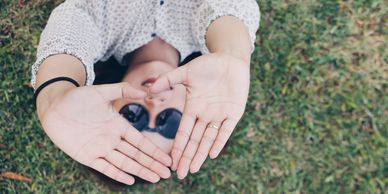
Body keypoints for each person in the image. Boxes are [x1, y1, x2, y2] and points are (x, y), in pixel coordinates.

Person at [32, 0, 260, 185]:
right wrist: (232, 52)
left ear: (108, 105)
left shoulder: (101, 29)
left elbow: (72, 27)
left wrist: (53, 95)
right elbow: (230, 6)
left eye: (133, 115)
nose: (154, 103)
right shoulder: (205, 30)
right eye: (169, 120)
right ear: (194, 111)